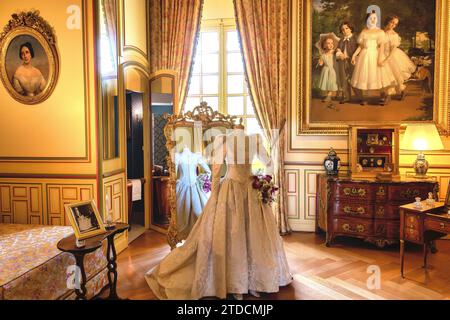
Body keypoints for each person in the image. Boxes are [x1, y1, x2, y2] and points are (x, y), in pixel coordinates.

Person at [145, 127, 292, 300]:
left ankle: (244, 282)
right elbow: (269, 164)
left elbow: (216, 171)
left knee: (241, 236)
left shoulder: (233, 140)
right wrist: (263, 181)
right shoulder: (250, 139)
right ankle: (247, 282)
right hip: (249, 189)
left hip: (235, 189)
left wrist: (214, 195)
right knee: (247, 235)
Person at [351, 11, 396, 105]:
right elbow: (361, 46)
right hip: (364, 55)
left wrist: (380, 58)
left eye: (375, 18)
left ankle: (384, 95)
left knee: (379, 76)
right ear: (367, 20)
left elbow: (381, 46)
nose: (373, 20)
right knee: (365, 76)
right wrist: (354, 55)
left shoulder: (379, 32)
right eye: (371, 18)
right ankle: (365, 97)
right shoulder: (364, 31)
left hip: (375, 55)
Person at [175, 145, 211, 239]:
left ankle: (191, 235)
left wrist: (201, 180)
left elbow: (173, 175)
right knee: (195, 210)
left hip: (184, 185)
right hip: (190, 185)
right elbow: (208, 172)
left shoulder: (178, 156)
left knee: (184, 211)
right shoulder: (195, 156)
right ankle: (195, 234)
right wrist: (201, 179)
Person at [379, 15, 416, 104]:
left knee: (392, 76)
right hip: (381, 55)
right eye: (392, 22)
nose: (393, 25)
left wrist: (386, 60)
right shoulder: (381, 32)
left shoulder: (394, 35)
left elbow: (393, 50)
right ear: (388, 21)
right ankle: (394, 92)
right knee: (382, 76)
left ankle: (388, 96)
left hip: (391, 56)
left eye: (395, 24)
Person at [335, 21, 358, 103]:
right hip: (343, 61)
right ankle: (347, 96)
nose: (344, 31)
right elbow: (337, 49)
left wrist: (355, 57)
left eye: (346, 28)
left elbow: (359, 49)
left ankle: (360, 96)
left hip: (352, 61)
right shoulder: (341, 40)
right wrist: (339, 53)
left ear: (351, 29)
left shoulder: (355, 39)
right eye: (343, 29)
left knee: (354, 78)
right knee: (344, 78)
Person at [318, 36, 339, 103]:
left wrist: (339, 52)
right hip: (326, 70)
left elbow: (339, 58)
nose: (330, 45)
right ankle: (328, 96)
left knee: (332, 82)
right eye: (328, 43)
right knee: (327, 83)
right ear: (324, 45)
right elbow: (321, 64)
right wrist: (320, 61)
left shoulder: (334, 52)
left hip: (332, 69)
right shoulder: (323, 55)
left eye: (331, 43)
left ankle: (329, 96)